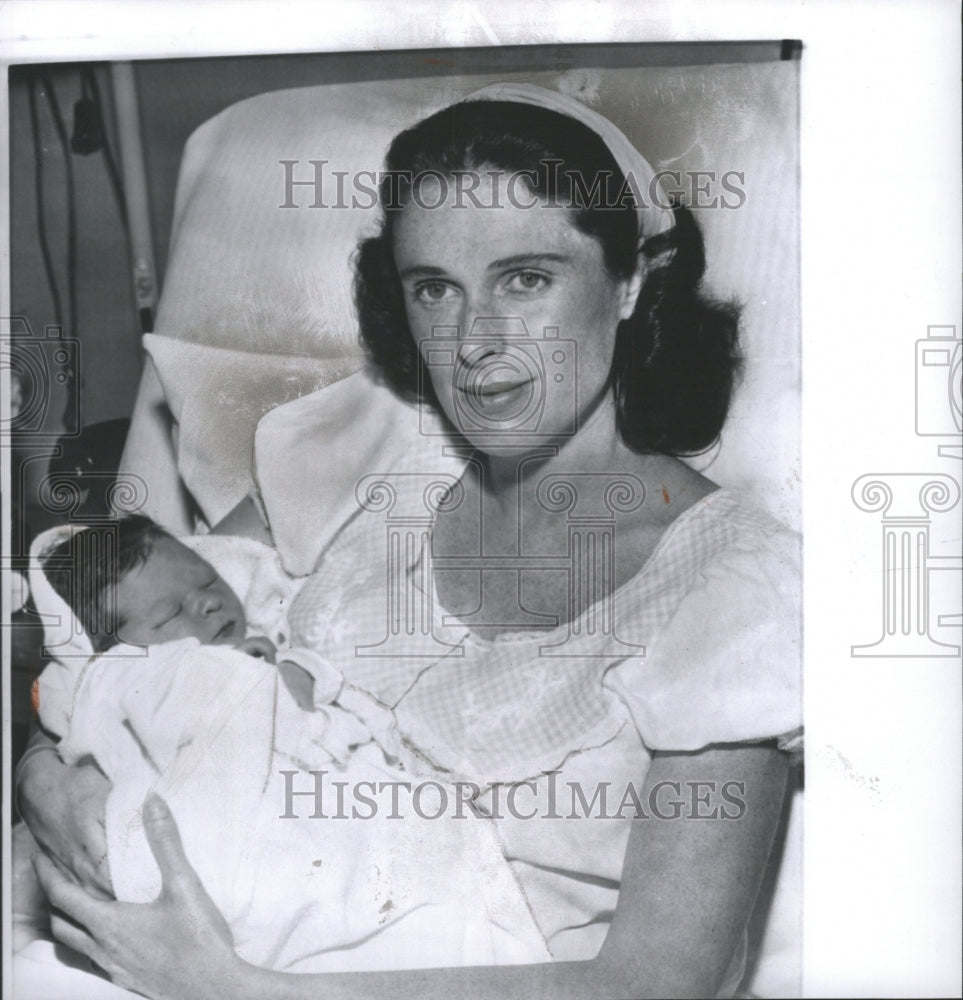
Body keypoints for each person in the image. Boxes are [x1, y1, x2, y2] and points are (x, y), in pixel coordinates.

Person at [24, 83, 801, 999]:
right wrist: (41, 773)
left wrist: (230, 990)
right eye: (435, 287)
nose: (475, 340)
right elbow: (123, 626)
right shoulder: (382, 447)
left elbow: (665, 980)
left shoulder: (729, 588)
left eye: (526, 278)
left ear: (631, 282)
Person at [26, 517, 549, 973]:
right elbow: (162, 725)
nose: (207, 604)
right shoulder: (127, 674)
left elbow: (319, 705)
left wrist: (288, 670)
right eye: (168, 616)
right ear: (111, 645)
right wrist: (249, 675)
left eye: (208, 580)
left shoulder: (266, 642)